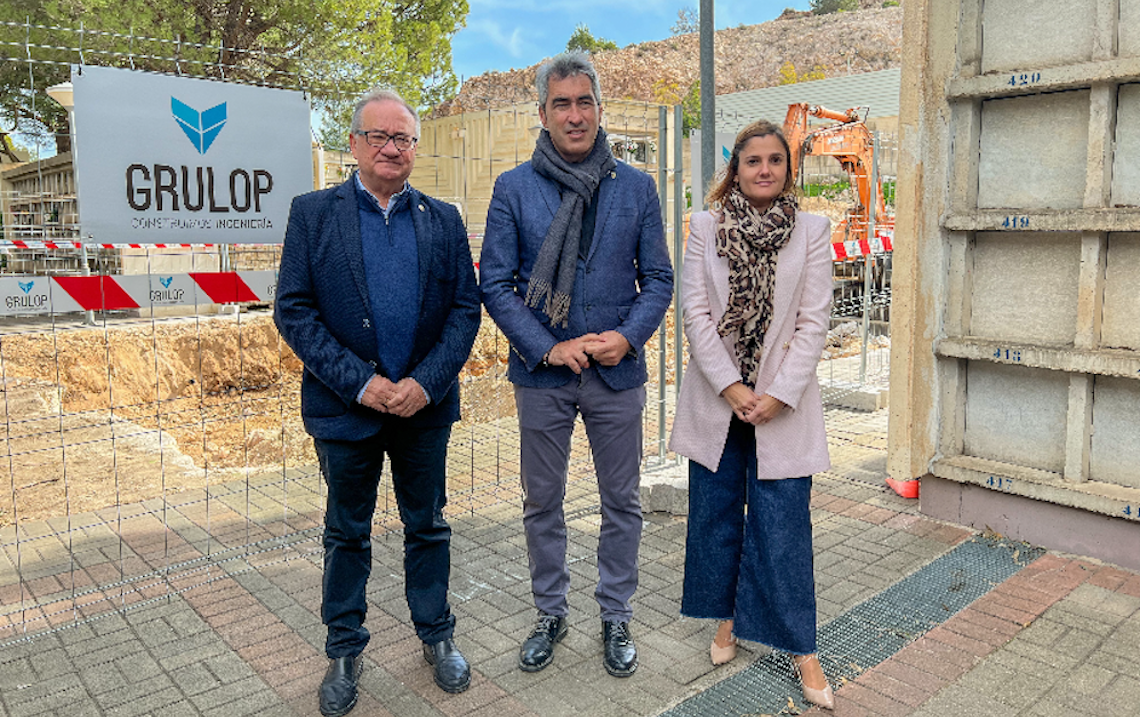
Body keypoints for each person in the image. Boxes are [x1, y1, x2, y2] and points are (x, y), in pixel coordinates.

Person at [274, 88, 481, 716]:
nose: (392, 148)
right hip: (347, 412)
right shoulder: (312, 214)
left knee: (429, 525)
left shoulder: (443, 219)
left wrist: (426, 382)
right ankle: (343, 648)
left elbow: (465, 311)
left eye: (404, 138)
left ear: (415, 148)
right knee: (346, 533)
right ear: (356, 144)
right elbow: (295, 311)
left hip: (424, 408)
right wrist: (362, 384)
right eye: (379, 136)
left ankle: (436, 635)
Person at [479, 52, 673, 678]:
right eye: (560, 103)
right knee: (543, 502)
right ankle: (550, 611)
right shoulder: (514, 188)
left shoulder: (636, 187)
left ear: (598, 108)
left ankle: (616, 613)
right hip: (543, 376)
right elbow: (497, 284)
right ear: (542, 113)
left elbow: (660, 279)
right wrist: (546, 346)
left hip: (617, 373)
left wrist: (627, 335)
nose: (574, 114)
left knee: (622, 501)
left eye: (583, 101)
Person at [669, 119, 835, 710]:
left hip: (781, 408)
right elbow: (694, 312)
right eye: (752, 160)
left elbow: (814, 322)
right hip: (721, 403)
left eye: (775, 160)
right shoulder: (704, 226)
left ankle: (802, 645)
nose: (764, 169)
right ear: (734, 169)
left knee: (784, 526)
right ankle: (728, 618)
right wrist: (732, 388)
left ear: (789, 169)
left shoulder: (813, 230)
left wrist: (777, 393)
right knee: (716, 518)